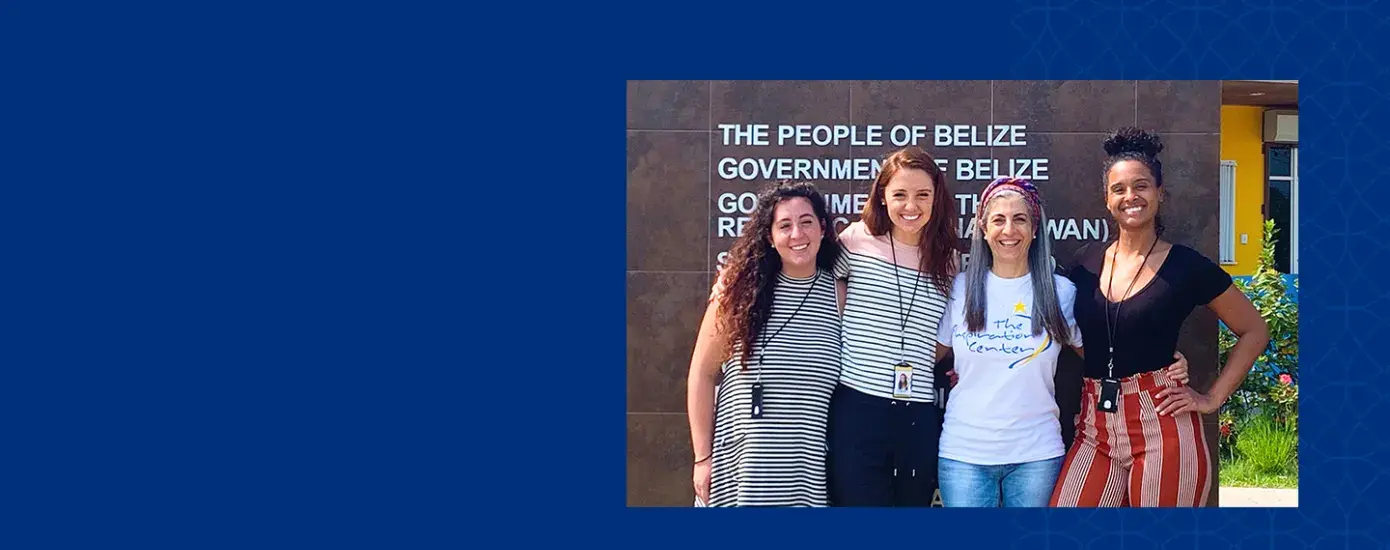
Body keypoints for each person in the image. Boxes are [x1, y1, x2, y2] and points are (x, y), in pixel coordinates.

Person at [933, 177, 1191, 507]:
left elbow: (1103, 354)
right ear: (983, 229)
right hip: (964, 453)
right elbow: (927, 355)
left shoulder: (1060, 293)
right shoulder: (960, 290)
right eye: (998, 220)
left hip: (1037, 454)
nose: (1009, 230)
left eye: (1020, 219)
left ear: (1035, 229)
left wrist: (1161, 360)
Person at [1049, 127, 1269, 507]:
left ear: (1160, 194)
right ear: (1107, 199)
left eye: (1141, 186)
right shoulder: (1084, 265)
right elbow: (1075, 335)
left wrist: (1211, 398)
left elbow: (1254, 330)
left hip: (1162, 422)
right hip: (1093, 427)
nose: (1130, 197)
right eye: (1119, 189)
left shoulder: (1186, 266)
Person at [686, 181, 844, 507]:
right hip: (738, 473)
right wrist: (703, 458)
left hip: (808, 477)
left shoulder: (840, 295)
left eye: (806, 222)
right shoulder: (737, 292)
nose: (797, 234)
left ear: (822, 228)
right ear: (770, 237)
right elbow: (701, 375)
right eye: (784, 225)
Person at [826, 146, 959, 507]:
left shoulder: (947, 259)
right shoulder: (855, 241)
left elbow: (946, 333)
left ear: (936, 199)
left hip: (917, 410)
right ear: (882, 197)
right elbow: (817, 296)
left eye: (922, 195)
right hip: (858, 406)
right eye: (899, 194)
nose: (910, 206)